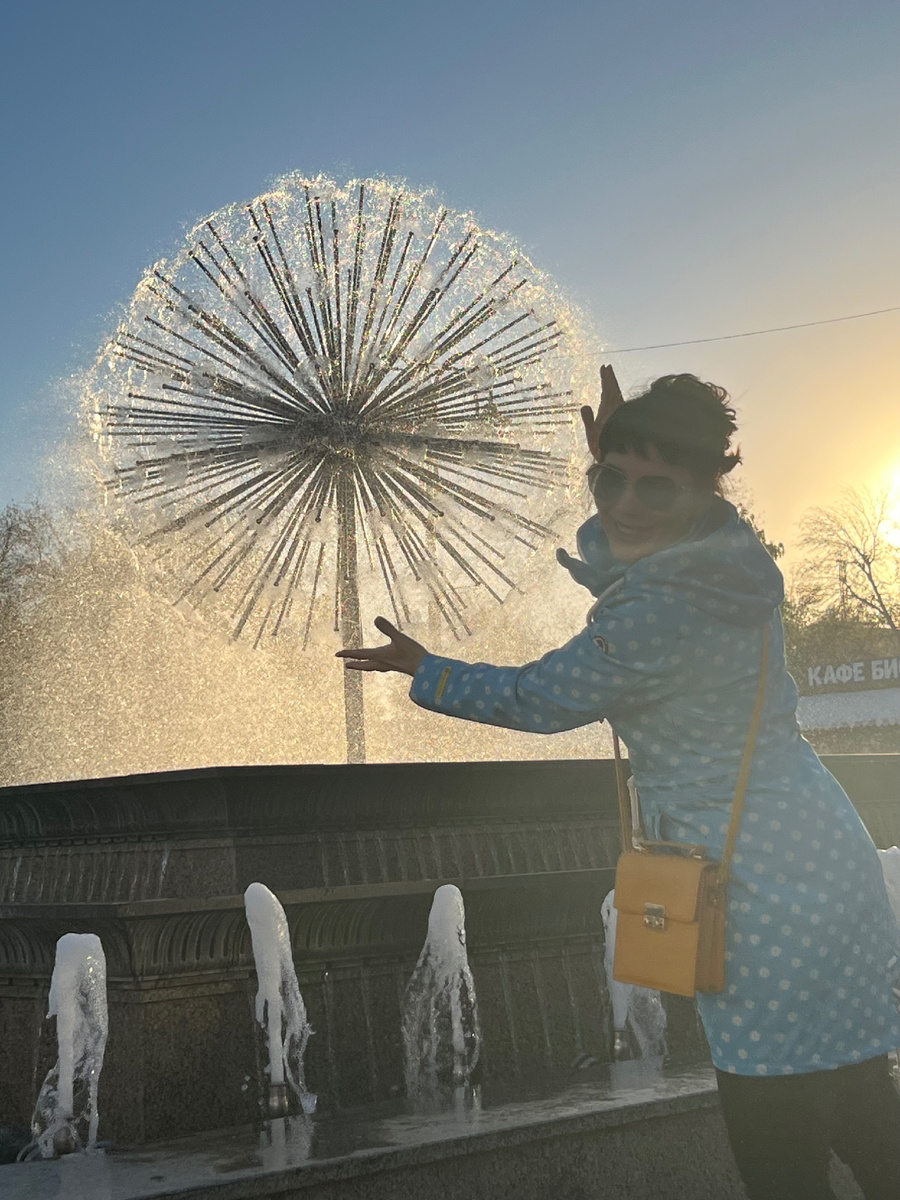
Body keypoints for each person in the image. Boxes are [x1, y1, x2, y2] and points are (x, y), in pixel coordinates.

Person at [338, 367, 900, 1199]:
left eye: (655, 487)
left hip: (754, 883)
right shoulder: (727, 559)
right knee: (857, 1086)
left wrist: (430, 671)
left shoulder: (659, 613)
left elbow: (538, 697)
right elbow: (636, 553)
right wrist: (633, 462)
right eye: (610, 480)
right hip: (818, 846)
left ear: (704, 490)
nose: (624, 504)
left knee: (777, 1127)